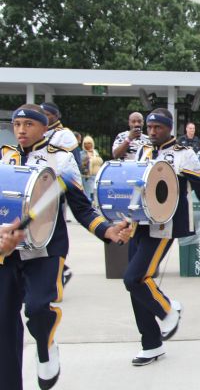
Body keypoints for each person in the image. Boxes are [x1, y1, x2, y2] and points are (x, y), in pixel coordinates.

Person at [0, 103, 130, 390]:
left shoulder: (61, 161)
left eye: (28, 124)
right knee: (4, 325)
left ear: (44, 127)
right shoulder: (4, 157)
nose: (21, 130)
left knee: (36, 308)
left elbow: (81, 208)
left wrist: (107, 230)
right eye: (17, 124)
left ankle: (46, 347)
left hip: (46, 250)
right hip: (7, 252)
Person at [126, 109, 200, 365]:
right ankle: (151, 344)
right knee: (137, 287)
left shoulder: (185, 154)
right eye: (149, 127)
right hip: (139, 223)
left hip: (165, 225)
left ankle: (167, 310)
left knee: (135, 278)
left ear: (169, 128)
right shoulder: (143, 151)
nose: (152, 132)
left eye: (157, 128)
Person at [41, 102, 79, 285]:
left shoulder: (64, 135)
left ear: (56, 115)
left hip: (55, 190)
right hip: (37, 190)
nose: (44, 117)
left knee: (53, 232)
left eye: (46, 114)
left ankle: (60, 272)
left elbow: (71, 163)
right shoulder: (41, 131)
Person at [79, 135, 103, 201]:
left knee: (96, 195)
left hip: (96, 177)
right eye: (85, 143)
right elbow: (81, 164)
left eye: (89, 143)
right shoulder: (81, 153)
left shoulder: (95, 152)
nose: (87, 145)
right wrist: (87, 159)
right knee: (89, 194)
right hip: (87, 177)